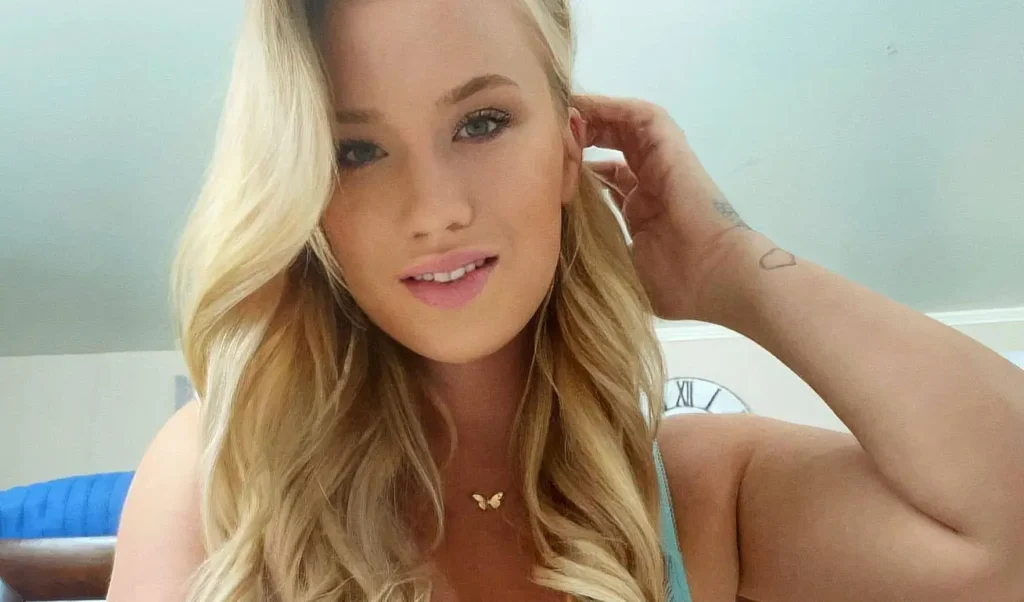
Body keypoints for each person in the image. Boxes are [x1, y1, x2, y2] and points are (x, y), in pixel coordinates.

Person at [107, 0, 1024, 600]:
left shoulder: (696, 492)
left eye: (481, 122)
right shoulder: (226, 478)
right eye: (355, 151)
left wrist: (730, 263)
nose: (436, 209)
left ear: (567, 149)